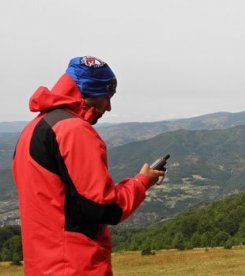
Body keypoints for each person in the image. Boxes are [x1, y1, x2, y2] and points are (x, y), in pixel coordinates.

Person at [12, 56, 165, 275]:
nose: (109, 107)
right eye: (107, 96)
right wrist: (142, 182)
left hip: (42, 265)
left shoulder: (33, 129)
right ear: (90, 91)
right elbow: (104, 208)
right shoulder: (74, 131)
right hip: (75, 264)